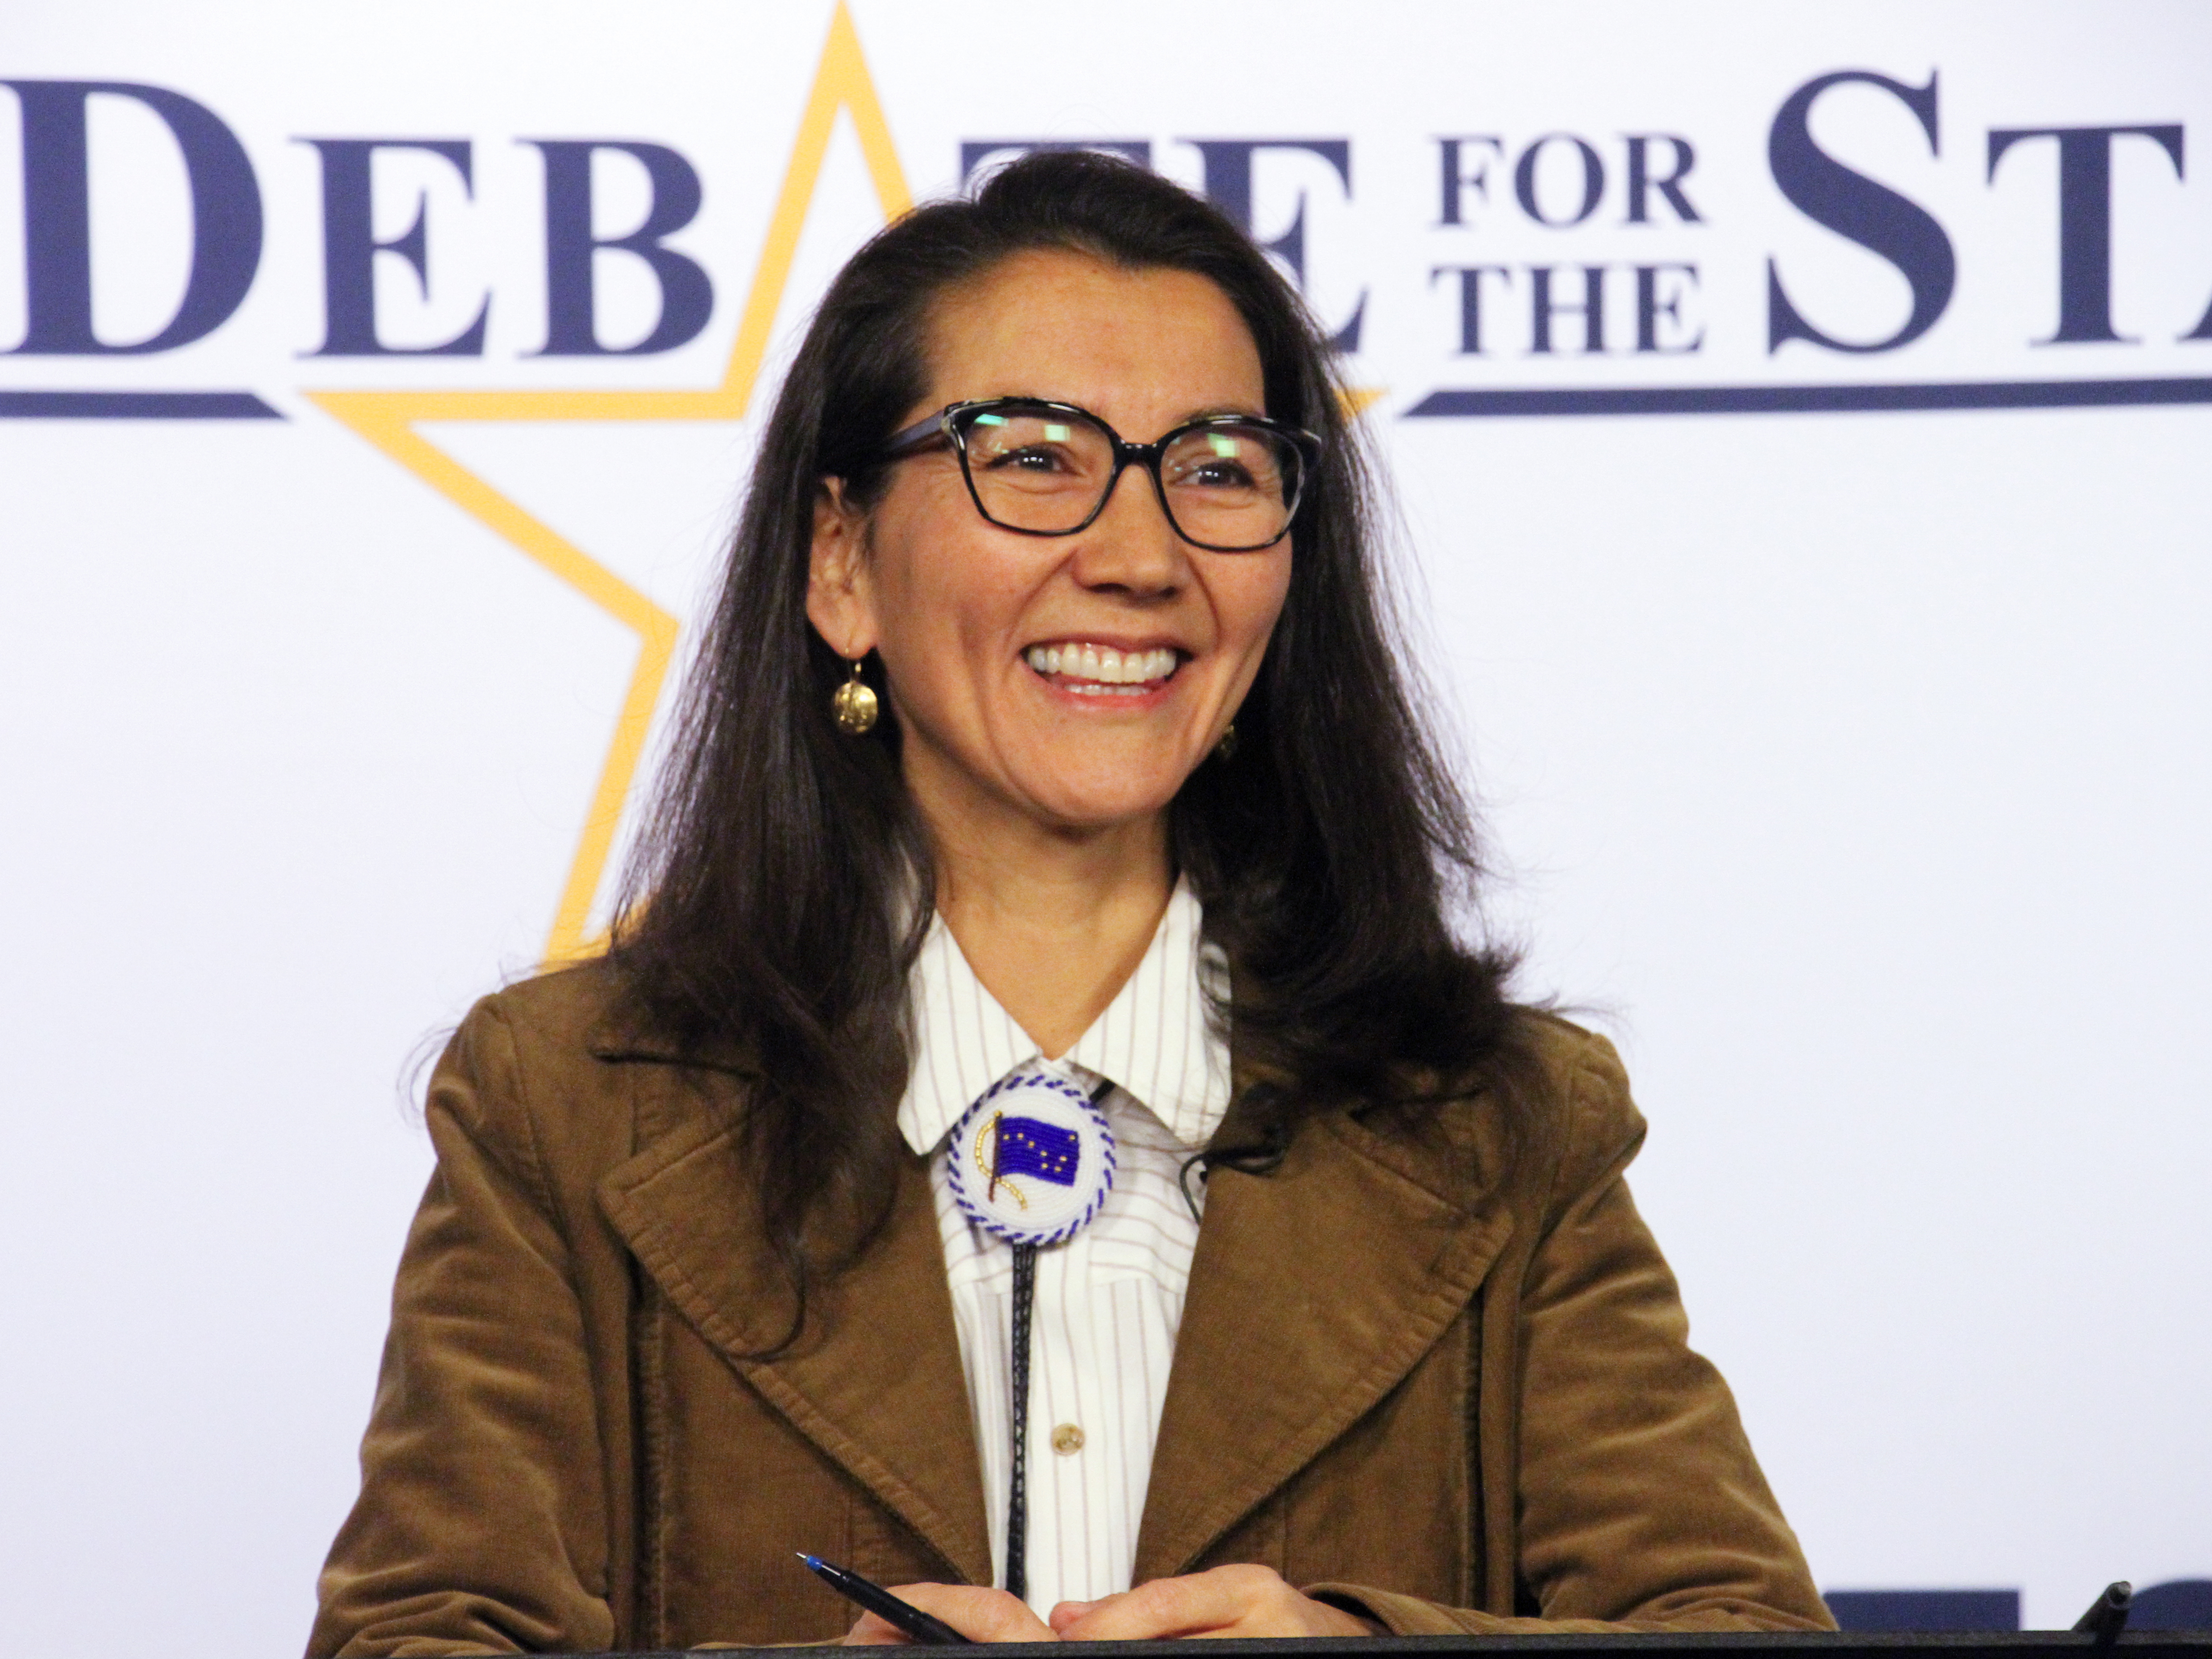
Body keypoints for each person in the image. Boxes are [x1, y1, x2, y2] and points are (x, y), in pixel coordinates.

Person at [308, 151, 1831, 1655]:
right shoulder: (564, 1105)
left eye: (1218, 471)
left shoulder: (1499, 1117)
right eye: (1032, 456)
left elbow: (1743, 1632)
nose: (1139, 555)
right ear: (840, 561)